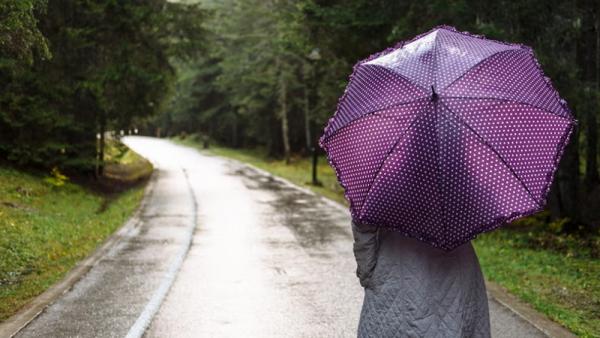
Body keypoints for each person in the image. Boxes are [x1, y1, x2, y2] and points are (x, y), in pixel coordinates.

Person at [351, 220, 491, 338]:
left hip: (398, 263)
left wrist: (367, 274)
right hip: (458, 263)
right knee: (455, 324)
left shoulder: (383, 189)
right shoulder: (461, 188)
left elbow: (363, 228)